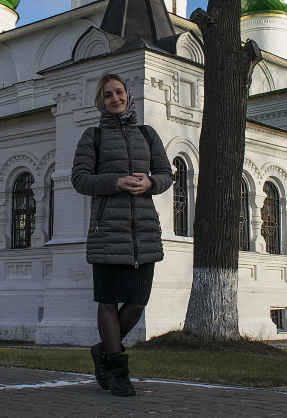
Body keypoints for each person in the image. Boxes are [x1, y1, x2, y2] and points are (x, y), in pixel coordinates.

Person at [71, 73, 172, 396]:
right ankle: (119, 371)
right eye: (108, 95)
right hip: (107, 232)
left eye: (119, 92)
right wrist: (115, 182)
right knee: (107, 302)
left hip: (143, 232)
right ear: (100, 102)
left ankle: (103, 350)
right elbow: (80, 180)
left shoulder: (147, 134)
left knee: (137, 302)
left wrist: (151, 183)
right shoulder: (93, 137)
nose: (115, 98)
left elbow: (166, 174)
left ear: (128, 95)